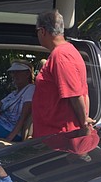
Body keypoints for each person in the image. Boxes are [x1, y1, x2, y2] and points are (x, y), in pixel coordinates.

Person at [32, 9, 91, 137]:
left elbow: (75, 95)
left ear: (42, 31)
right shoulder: (68, 51)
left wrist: (84, 124)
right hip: (55, 136)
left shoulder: (60, 55)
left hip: (58, 137)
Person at [0, 60, 35, 142]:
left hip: (8, 130)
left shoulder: (30, 89)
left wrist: (8, 139)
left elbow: (23, 117)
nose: (14, 75)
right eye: (13, 72)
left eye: (18, 72)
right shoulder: (13, 94)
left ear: (27, 74)